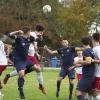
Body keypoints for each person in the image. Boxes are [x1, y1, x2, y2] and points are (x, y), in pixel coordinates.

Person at [3, 25, 46, 95]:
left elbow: (36, 43)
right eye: (43, 32)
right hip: (27, 56)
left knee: (36, 69)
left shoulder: (34, 35)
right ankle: (40, 86)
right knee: (34, 69)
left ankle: (40, 86)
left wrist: (37, 53)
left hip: (31, 56)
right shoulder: (31, 34)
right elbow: (12, 36)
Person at [12, 26, 39, 99]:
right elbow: (9, 35)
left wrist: (36, 50)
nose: (31, 33)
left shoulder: (31, 38)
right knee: (21, 74)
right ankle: (20, 91)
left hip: (26, 59)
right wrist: (17, 31)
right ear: (28, 32)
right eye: (30, 31)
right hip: (19, 60)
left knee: (37, 68)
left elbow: (37, 38)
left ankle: (23, 72)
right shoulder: (19, 38)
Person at [91, 33, 100, 100]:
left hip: (98, 75)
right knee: (90, 92)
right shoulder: (94, 48)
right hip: (94, 74)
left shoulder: (97, 49)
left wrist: (92, 60)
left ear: (93, 39)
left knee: (95, 94)